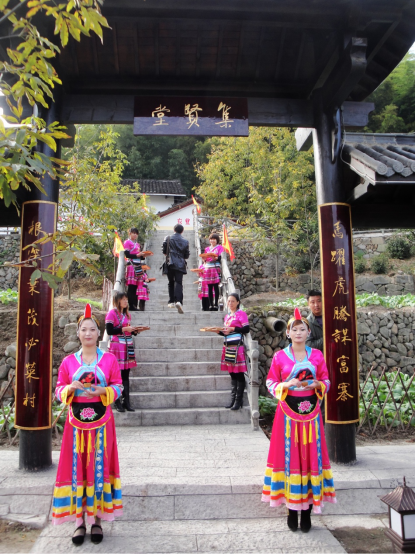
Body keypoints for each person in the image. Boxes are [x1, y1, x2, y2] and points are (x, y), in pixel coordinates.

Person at [52, 304, 123, 545]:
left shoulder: (109, 360)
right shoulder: (68, 362)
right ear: (78, 333)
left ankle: (97, 521)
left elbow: (118, 386)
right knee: (77, 468)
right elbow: (58, 390)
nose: (88, 333)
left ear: (98, 332)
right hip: (76, 426)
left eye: (92, 329)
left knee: (100, 467)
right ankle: (79, 522)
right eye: (84, 329)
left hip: (102, 424)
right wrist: (69, 389)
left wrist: (103, 391)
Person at [261, 308, 336, 533]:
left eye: (302, 329)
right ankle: (292, 510)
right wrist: (286, 384)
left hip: (311, 413)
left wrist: (317, 384)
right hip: (287, 414)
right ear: (288, 333)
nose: (299, 333)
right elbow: (270, 382)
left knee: (311, 456)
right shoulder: (279, 357)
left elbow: (326, 380)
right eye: (294, 330)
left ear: (308, 332)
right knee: (289, 456)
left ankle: (308, 512)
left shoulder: (317, 355)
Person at [105, 291, 140, 412]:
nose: (126, 301)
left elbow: (126, 330)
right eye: (123, 299)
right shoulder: (112, 313)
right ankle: (117, 401)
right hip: (117, 346)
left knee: (126, 374)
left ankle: (127, 401)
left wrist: (134, 331)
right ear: (118, 300)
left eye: (126, 299)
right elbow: (109, 330)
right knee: (117, 374)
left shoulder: (127, 315)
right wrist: (124, 329)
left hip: (127, 345)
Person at [216, 293, 249, 410]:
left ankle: (238, 401)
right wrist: (218, 331)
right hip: (228, 345)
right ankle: (233, 400)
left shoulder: (241, 314)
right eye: (229, 301)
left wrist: (233, 328)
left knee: (238, 373)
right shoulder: (227, 316)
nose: (230, 303)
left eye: (233, 301)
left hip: (237, 346)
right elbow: (227, 332)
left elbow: (246, 328)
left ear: (238, 302)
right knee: (232, 373)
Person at [162, 223, 190, 314]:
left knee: (171, 282)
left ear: (174, 230)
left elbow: (164, 251)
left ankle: (171, 301)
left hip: (170, 263)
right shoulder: (185, 241)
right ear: (182, 231)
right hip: (180, 264)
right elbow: (186, 255)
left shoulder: (168, 238)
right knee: (178, 282)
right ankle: (178, 301)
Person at [123, 228, 143, 312]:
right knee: (131, 286)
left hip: (138, 265)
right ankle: (130, 305)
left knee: (136, 286)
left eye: (136, 233)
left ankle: (134, 304)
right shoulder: (127, 242)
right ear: (130, 233)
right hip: (131, 265)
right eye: (133, 233)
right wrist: (136, 256)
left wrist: (142, 255)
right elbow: (127, 254)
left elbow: (139, 256)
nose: (135, 235)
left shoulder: (137, 244)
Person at [204, 233, 224, 311]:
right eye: (211, 239)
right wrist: (204, 259)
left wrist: (216, 258)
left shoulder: (219, 247)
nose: (212, 241)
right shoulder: (207, 249)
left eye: (214, 239)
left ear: (217, 240)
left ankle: (216, 304)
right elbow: (205, 258)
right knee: (209, 287)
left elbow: (220, 257)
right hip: (208, 267)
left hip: (215, 266)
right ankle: (210, 304)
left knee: (216, 286)